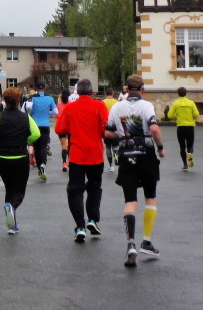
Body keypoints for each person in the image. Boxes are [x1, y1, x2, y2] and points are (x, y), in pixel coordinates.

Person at [105, 75, 166, 266]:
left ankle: (130, 244)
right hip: (146, 155)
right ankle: (146, 241)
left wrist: (124, 134)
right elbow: (154, 129)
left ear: (126, 89)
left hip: (126, 155)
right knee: (150, 197)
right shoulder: (146, 105)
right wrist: (160, 148)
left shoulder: (117, 107)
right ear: (143, 90)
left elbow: (107, 132)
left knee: (130, 201)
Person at [54, 79, 109, 242]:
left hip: (77, 155)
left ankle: (80, 226)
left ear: (77, 92)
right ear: (92, 92)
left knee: (75, 190)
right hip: (95, 154)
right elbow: (105, 127)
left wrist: (72, 128)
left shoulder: (70, 108)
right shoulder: (99, 106)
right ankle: (93, 219)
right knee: (95, 187)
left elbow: (59, 128)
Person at [0, 87, 40, 234]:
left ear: (4, 100)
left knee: (9, 189)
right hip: (20, 157)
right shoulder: (25, 117)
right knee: (19, 192)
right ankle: (12, 207)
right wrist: (26, 141)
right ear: (18, 100)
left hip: (3, 158)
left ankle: (12, 225)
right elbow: (36, 133)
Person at [27, 81, 57, 181]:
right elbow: (55, 112)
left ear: (36, 88)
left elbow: (28, 110)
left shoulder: (32, 98)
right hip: (45, 125)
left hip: (34, 126)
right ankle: (43, 164)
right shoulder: (50, 98)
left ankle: (39, 166)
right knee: (43, 147)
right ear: (45, 88)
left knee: (36, 147)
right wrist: (47, 112)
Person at [167, 86, 199, 171]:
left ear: (178, 94)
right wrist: (191, 117)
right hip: (190, 126)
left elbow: (169, 115)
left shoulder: (175, 104)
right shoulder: (191, 103)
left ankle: (185, 165)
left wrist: (176, 118)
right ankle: (190, 153)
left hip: (180, 126)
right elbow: (196, 114)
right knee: (190, 144)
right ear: (186, 93)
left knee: (182, 146)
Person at [102, 88, 119, 172]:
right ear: (113, 94)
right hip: (115, 125)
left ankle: (111, 165)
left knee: (108, 146)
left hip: (106, 126)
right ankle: (116, 156)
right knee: (115, 146)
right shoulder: (117, 102)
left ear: (105, 94)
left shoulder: (103, 102)